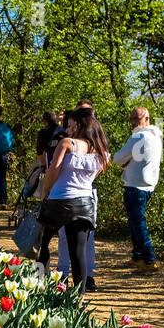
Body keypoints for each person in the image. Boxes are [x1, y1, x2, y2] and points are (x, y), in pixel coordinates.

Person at [36, 107, 109, 296]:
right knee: (78, 252)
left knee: (41, 243)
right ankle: (79, 297)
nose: (67, 129)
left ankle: (40, 284)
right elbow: (99, 170)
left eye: (70, 125)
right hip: (85, 202)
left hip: (60, 200)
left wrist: (45, 191)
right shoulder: (99, 148)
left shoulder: (67, 144)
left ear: (79, 125)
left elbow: (53, 170)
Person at [53, 99, 98, 290]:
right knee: (65, 239)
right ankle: (62, 274)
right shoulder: (64, 137)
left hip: (79, 193)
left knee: (86, 241)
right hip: (75, 195)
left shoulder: (96, 140)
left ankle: (87, 278)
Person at [112, 106, 163, 272]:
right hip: (149, 186)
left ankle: (149, 260)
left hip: (135, 186)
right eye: (131, 119)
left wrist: (126, 161)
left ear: (147, 119)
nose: (133, 122)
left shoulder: (139, 136)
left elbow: (118, 158)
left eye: (137, 118)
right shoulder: (157, 136)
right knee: (135, 222)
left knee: (138, 223)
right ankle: (137, 256)